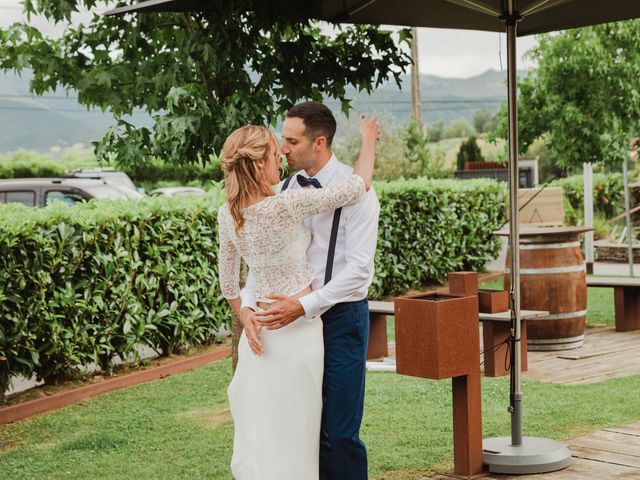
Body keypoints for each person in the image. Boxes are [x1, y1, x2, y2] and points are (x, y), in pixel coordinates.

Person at [218, 109, 379, 480]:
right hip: (283, 324)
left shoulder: (357, 195)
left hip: (337, 314)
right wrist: (250, 309)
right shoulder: (284, 194)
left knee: (338, 432)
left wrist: (300, 306)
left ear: (318, 142)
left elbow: (358, 272)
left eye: (291, 142)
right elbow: (258, 268)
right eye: (280, 144)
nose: (284, 151)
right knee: (299, 429)